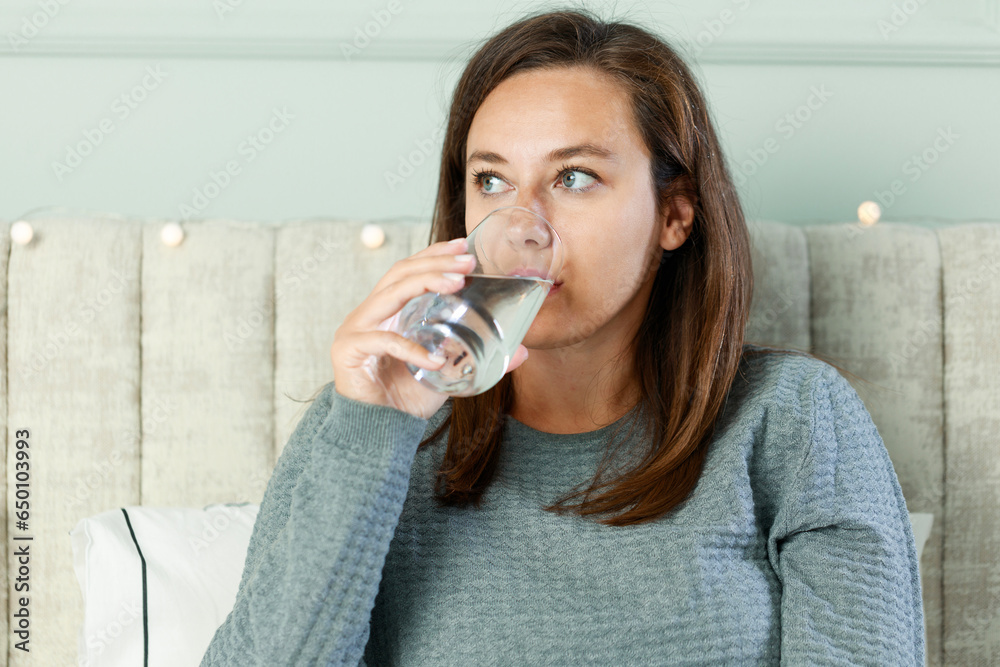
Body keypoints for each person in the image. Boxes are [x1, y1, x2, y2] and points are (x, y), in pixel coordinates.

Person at [200, 9, 925, 666]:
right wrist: (372, 431)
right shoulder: (368, 431)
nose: (523, 228)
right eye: (490, 181)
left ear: (675, 214)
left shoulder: (794, 420)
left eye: (574, 178)